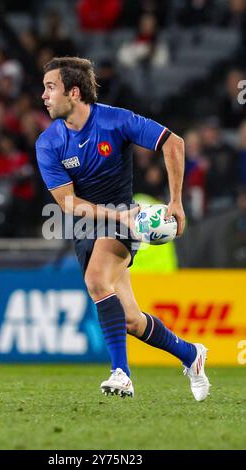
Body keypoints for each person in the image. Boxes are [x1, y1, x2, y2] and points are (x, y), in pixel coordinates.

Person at [36, 57, 211, 401]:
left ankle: (121, 373)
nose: (43, 95)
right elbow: (68, 204)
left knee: (96, 281)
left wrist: (175, 202)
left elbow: (173, 142)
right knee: (130, 320)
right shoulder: (48, 142)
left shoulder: (116, 121)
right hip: (91, 225)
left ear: (74, 92)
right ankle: (192, 355)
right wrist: (119, 217)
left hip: (125, 221)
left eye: (50, 87)